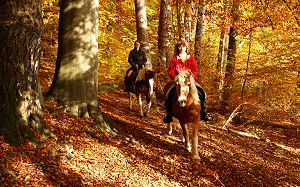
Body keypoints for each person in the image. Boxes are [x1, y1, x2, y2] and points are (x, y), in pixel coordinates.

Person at [164, 41, 212, 122]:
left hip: (190, 80)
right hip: (179, 81)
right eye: (180, 46)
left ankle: (203, 113)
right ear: (177, 48)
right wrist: (176, 75)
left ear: (186, 48)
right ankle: (169, 115)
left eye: (183, 46)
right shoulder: (175, 59)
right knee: (168, 94)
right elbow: (170, 71)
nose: (181, 48)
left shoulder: (191, 58)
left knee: (203, 93)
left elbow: (195, 70)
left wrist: (191, 75)